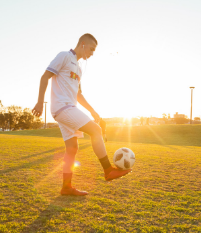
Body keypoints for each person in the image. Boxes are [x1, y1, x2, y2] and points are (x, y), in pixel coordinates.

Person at [32, 34, 132, 196]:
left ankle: (66, 187)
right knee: (96, 130)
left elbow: (79, 94)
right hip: (62, 107)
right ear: (83, 44)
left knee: (72, 148)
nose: (92, 53)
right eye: (91, 49)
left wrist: (92, 111)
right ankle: (108, 170)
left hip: (68, 108)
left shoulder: (78, 68)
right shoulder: (64, 56)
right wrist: (39, 102)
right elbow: (45, 77)